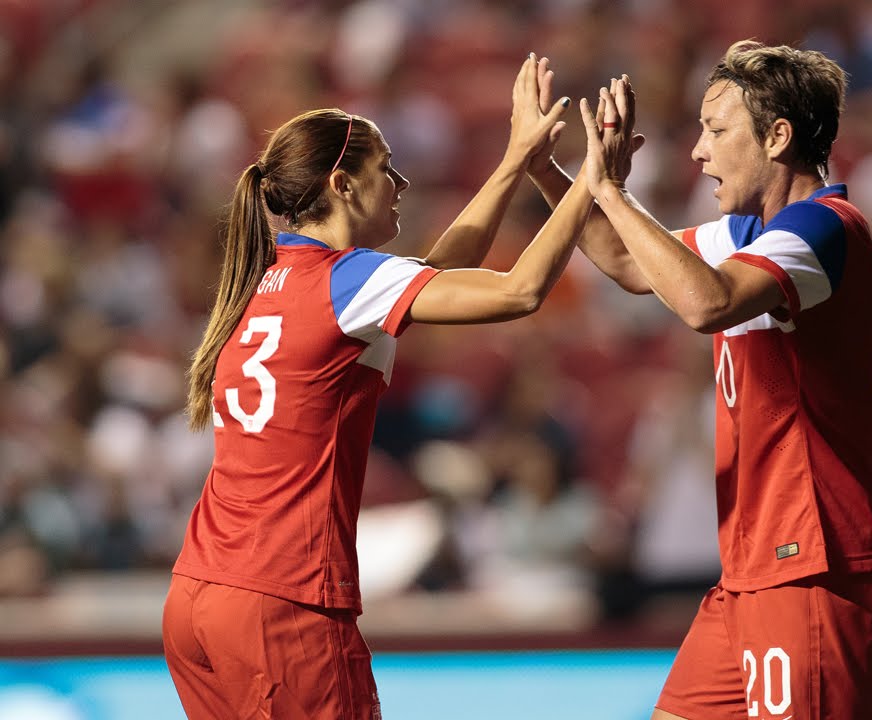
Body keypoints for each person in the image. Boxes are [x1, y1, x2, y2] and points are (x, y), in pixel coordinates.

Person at [161, 54, 622, 719]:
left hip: (200, 596)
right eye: (388, 170)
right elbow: (518, 291)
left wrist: (518, 158)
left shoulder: (267, 283)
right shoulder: (349, 280)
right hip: (282, 601)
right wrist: (593, 180)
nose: (402, 184)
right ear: (343, 185)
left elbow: (437, 273)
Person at [529, 41, 872, 719]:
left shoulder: (823, 229)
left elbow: (706, 304)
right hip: (755, 568)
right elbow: (626, 259)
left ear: (778, 136)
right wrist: (548, 172)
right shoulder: (753, 235)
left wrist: (610, 187)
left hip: (815, 563)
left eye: (717, 130)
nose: (698, 152)